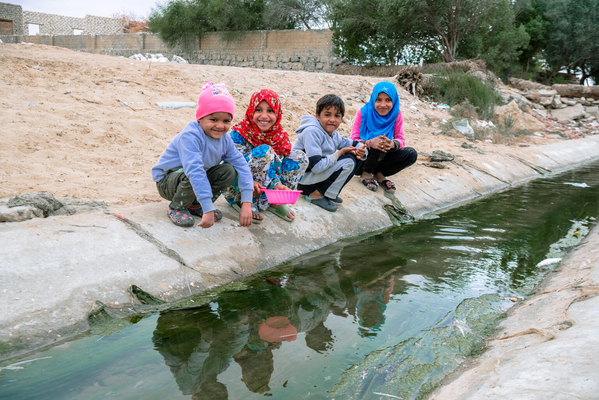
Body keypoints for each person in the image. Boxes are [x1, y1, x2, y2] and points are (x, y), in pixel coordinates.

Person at [152, 82, 253, 228]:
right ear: (201, 118)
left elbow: (242, 166)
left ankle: (195, 204)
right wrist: (208, 208)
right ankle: (177, 207)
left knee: (228, 170)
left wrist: (247, 203)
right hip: (169, 181)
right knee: (191, 173)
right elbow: (194, 171)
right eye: (213, 119)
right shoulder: (191, 136)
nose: (220, 126)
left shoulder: (225, 139)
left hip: (193, 180)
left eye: (226, 121)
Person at [224, 89, 308, 223]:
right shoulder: (239, 133)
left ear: (278, 113)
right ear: (251, 111)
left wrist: (277, 185)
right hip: (238, 186)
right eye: (258, 110)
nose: (264, 116)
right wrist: (247, 185)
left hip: (266, 187)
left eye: (270, 111)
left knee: (299, 157)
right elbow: (230, 167)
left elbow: (273, 168)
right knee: (264, 151)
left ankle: (274, 201)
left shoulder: (279, 137)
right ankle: (246, 202)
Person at [293, 94, 367, 212]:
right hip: (300, 181)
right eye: (327, 115)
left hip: (313, 177)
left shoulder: (333, 134)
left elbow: (353, 143)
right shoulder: (312, 131)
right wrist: (340, 152)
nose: (332, 120)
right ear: (318, 115)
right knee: (348, 160)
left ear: (341, 118)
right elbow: (316, 167)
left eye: (337, 116)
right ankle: (316, 194)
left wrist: (362, 150)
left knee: (355, 156)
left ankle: (328, 193)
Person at [350, 81, 417, 194]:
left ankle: (379, 174)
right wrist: (369, 143)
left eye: (388, 100)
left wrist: (392, 144)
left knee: (411, 154)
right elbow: (352, 140)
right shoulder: (363, 113)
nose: (383, 105)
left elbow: (400, 140)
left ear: (394, 101)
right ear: (373, 99)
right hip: (362, 160)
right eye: (378, 100)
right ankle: (365, 174)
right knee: (380, 142)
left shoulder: (396, 114)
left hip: (382, 157)